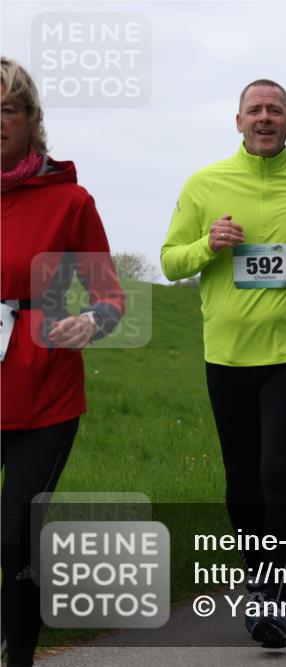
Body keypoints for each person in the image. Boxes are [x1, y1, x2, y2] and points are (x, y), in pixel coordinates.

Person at [160, 79, 286, 649]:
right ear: (238, 121)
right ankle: (256, 579)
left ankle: (274, 597)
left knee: (277, 470)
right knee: (242, 478)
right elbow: (170, 261)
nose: (265, 117)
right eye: (255, 110)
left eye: (275, 110)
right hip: (227, 352)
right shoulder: (204, 183)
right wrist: (209, 245)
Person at [1, 57, 125, 667]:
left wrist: (91, 321)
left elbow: (111, 298)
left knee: (15, 537)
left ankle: (20, 655)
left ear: (32, 119)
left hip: (44, 394)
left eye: (6, 109)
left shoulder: (69, 201)